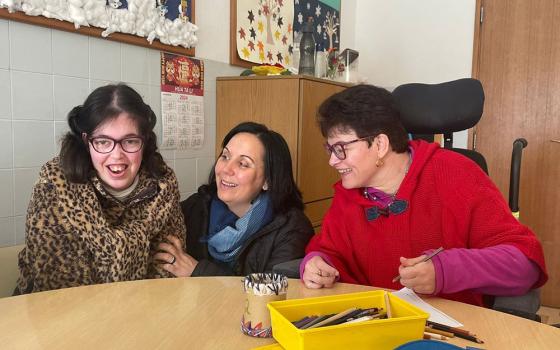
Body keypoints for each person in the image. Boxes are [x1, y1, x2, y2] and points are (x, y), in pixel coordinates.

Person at [300, 84, 548, 306]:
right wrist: (317, 263)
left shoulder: (456, 174)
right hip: (368, 328)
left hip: (448, 334)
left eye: (341, 148)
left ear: (380, 145)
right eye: (330, 149)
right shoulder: (349, 193)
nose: (333, 160)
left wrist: (444, 271)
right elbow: (329, 251)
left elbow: (524, 265)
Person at [15, 84, 185, 295]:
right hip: (58, 313)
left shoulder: (163, 184)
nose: (117, 156)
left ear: (145, 141)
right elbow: (58, 282)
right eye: (103, 142)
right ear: (87, 141)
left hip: (143, 312)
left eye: (130, 141)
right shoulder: (55, 183)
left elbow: (167, 268)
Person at [155, 122, 314, 276]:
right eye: (225, 156)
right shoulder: (197, 206)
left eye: (243, 164)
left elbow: (273, 292)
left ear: (268, 180)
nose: (226, 169)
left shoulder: (292, 229)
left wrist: (197, 271)